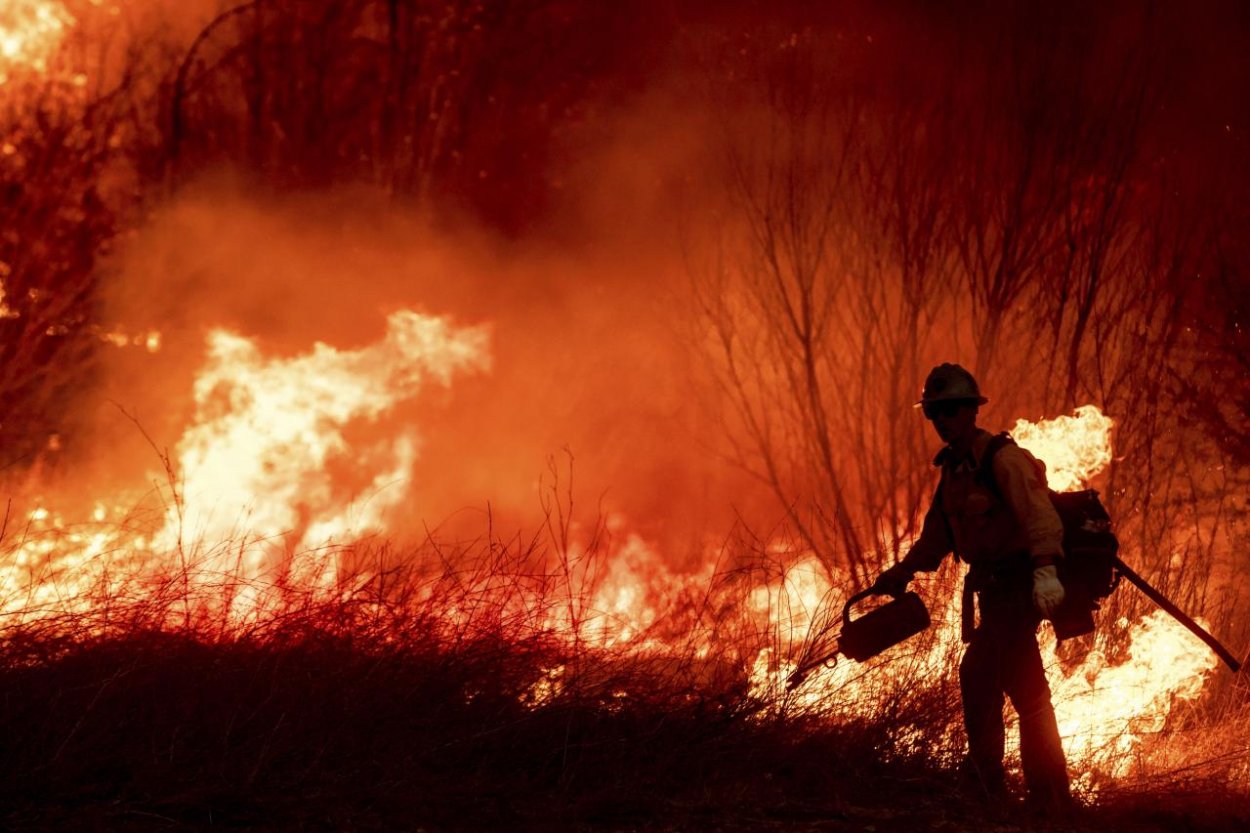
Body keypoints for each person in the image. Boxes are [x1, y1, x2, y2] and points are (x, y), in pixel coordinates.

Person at [872, 363, 1072, 816]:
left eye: (950, 410)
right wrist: (901, 572)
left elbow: (1040, 517)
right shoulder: (954, 473)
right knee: (1021, 687)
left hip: (1021, 587)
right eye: (934, 413)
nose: (942, 420)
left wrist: (1045, 571)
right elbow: (936, 538)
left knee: (983, 673)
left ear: (971, 411)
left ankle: (1001, 790)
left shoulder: (1002, 459)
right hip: (991, 592)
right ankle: (1045, 796)